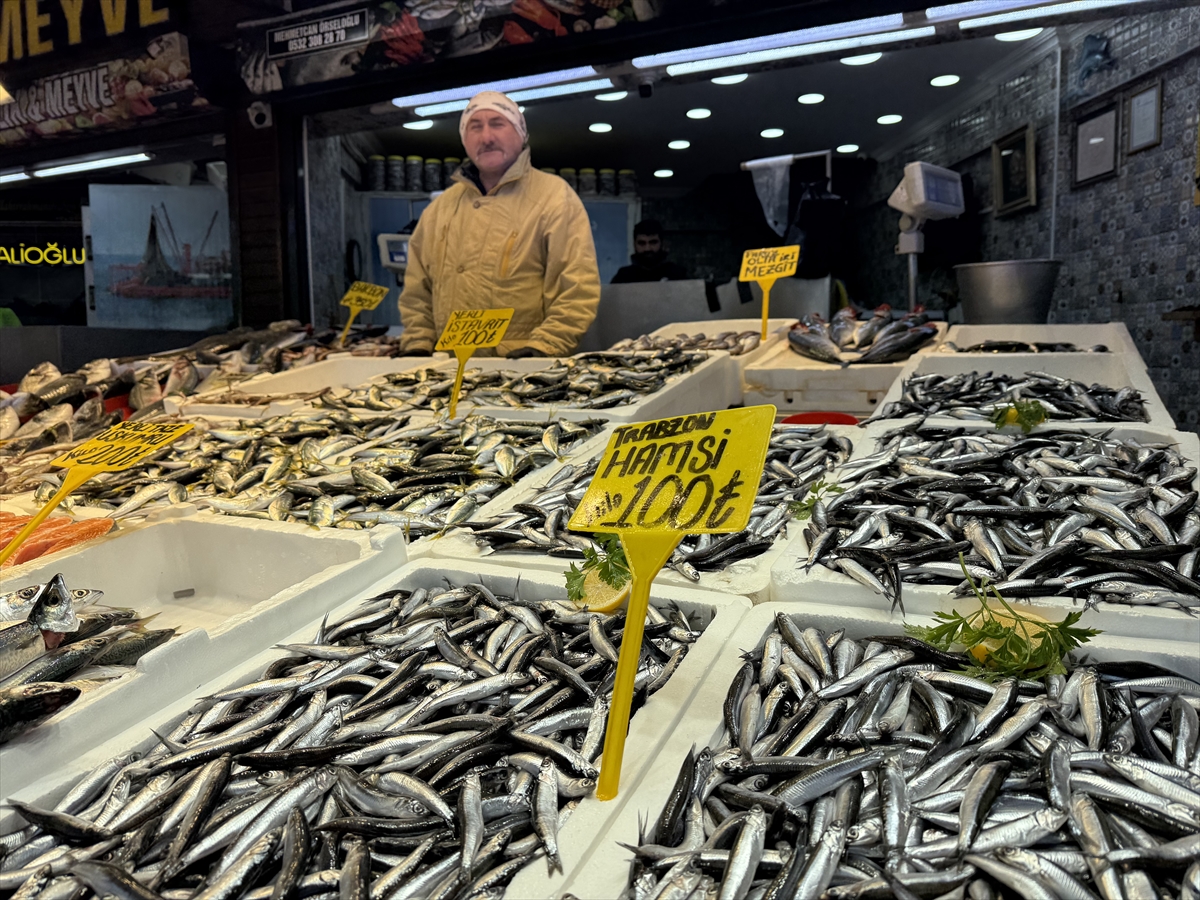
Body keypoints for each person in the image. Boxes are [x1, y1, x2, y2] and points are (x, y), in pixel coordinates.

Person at [398, 91, 601, 358]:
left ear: (521, 133)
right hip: (447, 374)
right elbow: (416, 291)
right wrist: (417, 344)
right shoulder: (439, 210)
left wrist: (545, 346)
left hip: (521, 376)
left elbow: (577, 286)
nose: (486, 137)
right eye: (475, 127)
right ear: (464, 140)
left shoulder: (554, 198)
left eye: (497, 123)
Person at [611, 220, 689, 283]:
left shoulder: (677, 274)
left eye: (653, 242)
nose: (647, 248)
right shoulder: (624, 276)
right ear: (634, 244)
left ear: (662, 243)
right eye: (642, 243)